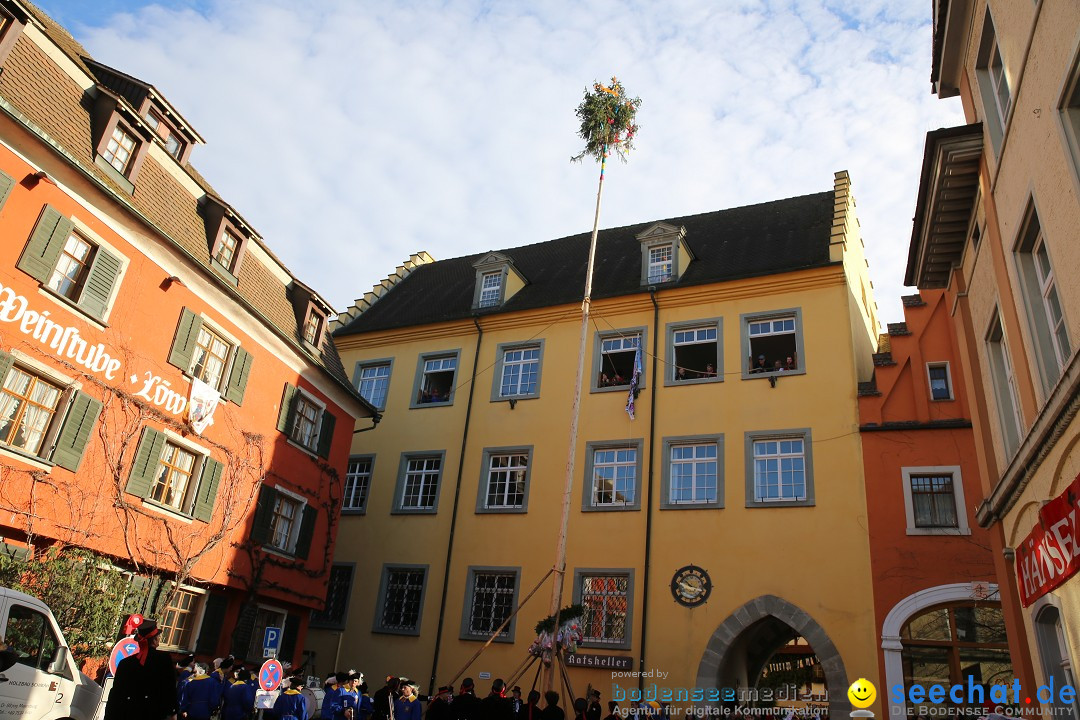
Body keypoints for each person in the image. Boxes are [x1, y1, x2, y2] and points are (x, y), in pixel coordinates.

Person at [104, 619, 179, 720]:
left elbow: (116, 694)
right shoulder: (163, 659)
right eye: (158, 637)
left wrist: (109, 716)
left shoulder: (125, 663)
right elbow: (169, 688)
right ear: (155, 639)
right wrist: (172, 711)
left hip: (128, 713)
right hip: (153, 713)